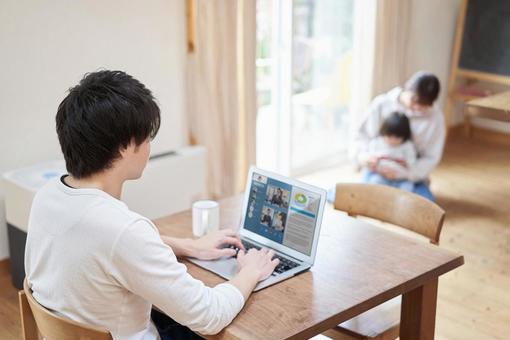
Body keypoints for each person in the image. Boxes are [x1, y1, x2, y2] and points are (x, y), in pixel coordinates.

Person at [24, 70, 279, 340]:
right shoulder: (123, 230)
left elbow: (105, 245)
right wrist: (250, 272)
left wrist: (189, 246)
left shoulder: (47, 196)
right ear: (124, 147)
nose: (148, 147)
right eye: (146, 138)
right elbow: (209, 316)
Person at [352, 71, 445, 201]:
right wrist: (364, 157)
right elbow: (361, 136)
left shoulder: (435, 118)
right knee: (351, 198)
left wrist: (408, 174)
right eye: (414, 100)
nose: (417, 107)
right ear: (406, 88)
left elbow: (431, 156)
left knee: (425, 208)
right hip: (377, 169)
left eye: (423, 105)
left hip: (410, 174)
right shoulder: (382, 104)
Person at [360, 111, 416, 192]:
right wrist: (374, 165)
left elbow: (412, 164)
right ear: (384, 132)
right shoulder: (376, 143)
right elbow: (369, 162)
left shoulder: (407, 146)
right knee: (374, 182)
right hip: (380, 176)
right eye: (389, 136)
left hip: (400, 179)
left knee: (408, 188)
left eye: (397, 137)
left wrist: (399, 174)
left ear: (405, 136)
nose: (393, 141)